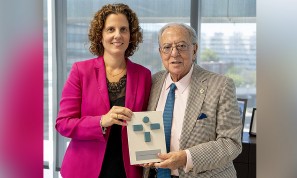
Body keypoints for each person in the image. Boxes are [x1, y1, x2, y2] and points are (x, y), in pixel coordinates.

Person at [55, 3, 151, 178]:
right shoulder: (80, 71)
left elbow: (146, 122)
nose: (118, 35)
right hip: (84, 169)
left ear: (131, 35)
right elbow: (63, 124)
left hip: (128, 170)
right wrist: (101, 121)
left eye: (124, 29)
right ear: (100, 35)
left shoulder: (144, 75)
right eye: (111, 29)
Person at [143, 23, 242, 178]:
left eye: (181, 46)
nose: (174, 53)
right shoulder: (152, 82)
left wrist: (186, 157)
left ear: (194, 50)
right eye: (167, 47)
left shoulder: (221, 85)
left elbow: (231, 143)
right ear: (160, 52)